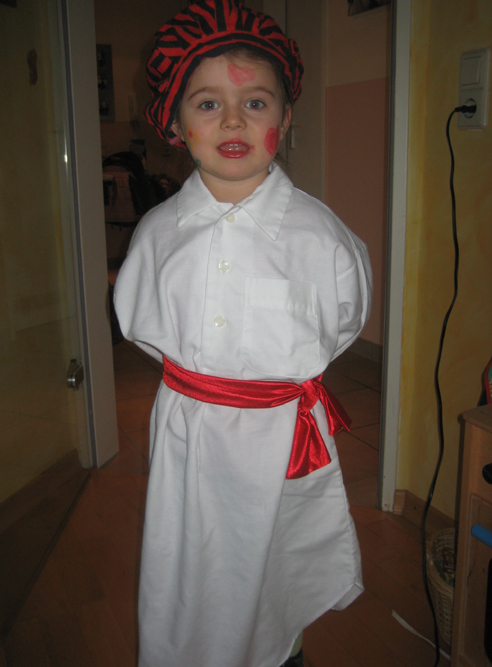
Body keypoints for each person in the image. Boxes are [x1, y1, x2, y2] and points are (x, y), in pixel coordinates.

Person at [114, 1, 372, 666]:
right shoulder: (156, 236)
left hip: (280, 440)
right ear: (175, 125)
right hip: (189, 437)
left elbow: (344, 319)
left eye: (255, 103)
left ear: (286, 119)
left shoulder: (321, 236)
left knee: (272, 574)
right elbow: (141, 323)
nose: (233, 120)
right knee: (190, 567)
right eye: (208, 104)